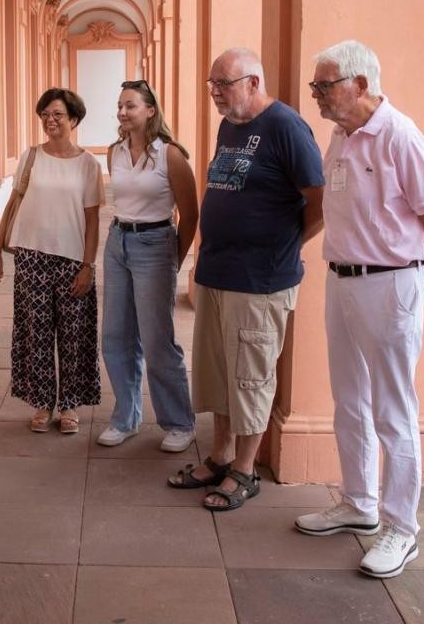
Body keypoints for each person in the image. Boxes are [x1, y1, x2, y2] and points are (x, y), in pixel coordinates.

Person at [294, 40, 424, 580]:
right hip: (343, 280)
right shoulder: (340, 135)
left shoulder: (399, 136)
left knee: (393, 408)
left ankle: (401, 527)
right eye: (315, 86)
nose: (316, 95)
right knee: (349, 400)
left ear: (360, 84)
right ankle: (360, 503)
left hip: (390, 284)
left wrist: (421, 281)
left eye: (324, 85)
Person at [167, 49, 324, 511]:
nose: (215, 91)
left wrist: (289, 244)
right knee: (218, 374)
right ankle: (220, 455)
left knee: (251, 377)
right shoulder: (229, 124)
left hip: (260, 279)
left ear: (253, 82)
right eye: (212, 82)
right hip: (218, 271)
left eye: (224, 83)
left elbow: (318, 200)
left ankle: (245, 470)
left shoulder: (286, 127)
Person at [0, 87, 103, 434]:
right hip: (31, 256)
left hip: (71, 260)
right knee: (34, 333)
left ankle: (68, 406)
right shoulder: (32, 156)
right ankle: (42, 403)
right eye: (45, 114)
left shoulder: (88, 164)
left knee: (73, 334)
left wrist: (88, 266)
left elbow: (93, 220)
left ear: (74, 119)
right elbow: (13, 203)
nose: (49, 120)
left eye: (57, 114)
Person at [96, 79, 199, 452]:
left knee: (157, 340)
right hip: (118, 242)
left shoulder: (170, 154)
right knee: (115, 336)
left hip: (156, 244)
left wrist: (174, 259)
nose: (123, 112)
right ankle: (126, 417)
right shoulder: (114, 152)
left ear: (150, 111)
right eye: (120, 106)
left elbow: (190, 214)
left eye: (131, 106)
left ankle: (178, 423)